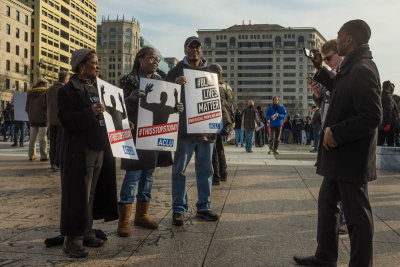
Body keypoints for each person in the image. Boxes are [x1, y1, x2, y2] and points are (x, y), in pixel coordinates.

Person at [293, 20, 382, 267]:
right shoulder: (352, 68)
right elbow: (341, 90)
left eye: (340, 35)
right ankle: (325, 256)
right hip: (340, 157)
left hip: (351, 157)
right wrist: (320, 69)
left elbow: (373, 116)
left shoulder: (363, 69)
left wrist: (336, 132)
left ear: (350, 39)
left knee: (357, 217)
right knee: (327, 203)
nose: (337, 39)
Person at [58, 49, 118, 258]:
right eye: (94, 62)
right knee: (78, 195)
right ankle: (72, 240)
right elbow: (67, 120)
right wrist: (89, 112)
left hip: (100, 149)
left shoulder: (99, 88)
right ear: (81, 66)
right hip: (80, 152)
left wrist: (122, 123)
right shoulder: (67, 91)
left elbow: (110, 114)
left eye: (98, 62)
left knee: (91, 194)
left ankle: (87, 231)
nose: (98, 66)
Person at [117, 46, 183, 237]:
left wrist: (177, 107)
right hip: (135, 135)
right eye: (151, 58)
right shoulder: (129, 80)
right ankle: (124, 221)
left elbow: (167, 107)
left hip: (153, 137)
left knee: (148, 176)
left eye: (156, 59)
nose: (155, 62)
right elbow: (119, 107)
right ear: (140, 59)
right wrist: (131, 98)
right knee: (132, 177)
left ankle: (141, 215)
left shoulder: (160, 82)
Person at [166, 36, 219, 226]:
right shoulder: (175, 71)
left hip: (206, 130)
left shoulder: (210, 71)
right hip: (185, 132)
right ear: (185, 50)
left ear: (201, 51)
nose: (194, 50)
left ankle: (204, 206)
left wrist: (219, 79)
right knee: (179, 171)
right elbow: (164, 97)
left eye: (198, 47)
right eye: (191, 47)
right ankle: (179, 209)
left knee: (206, 170)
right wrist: (174, 85)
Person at [207, 63, 234, 185]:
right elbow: (230, 105)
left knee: (214, 148)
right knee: (219, 147)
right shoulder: (227, 86)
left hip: (215, 118)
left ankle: (216, 176)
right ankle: (223, 173)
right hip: (225, 119)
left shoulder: (214, 85)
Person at [309, 39, 344, 126]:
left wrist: (320, 68)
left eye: (328, 58)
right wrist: (317, 94)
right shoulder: (330, 74)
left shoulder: (349, 71)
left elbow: (339, 93)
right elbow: (322, 104)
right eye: (324, 59)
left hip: (340, 126)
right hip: (328, 125)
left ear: (340, 53)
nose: (326, 62)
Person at [46, 71, 70, 171]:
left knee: (52, 142)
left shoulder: (50, 89)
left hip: (51, 119)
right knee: (60, 142)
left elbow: (46, 103)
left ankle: (52, 162)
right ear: (65, 79)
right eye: (68, 79)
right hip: (61, 119)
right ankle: (57, 163)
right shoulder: (65, 89)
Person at [26, 78, 48, 161]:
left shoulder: (30, 94)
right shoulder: (45, 93)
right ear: (43, 84)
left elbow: (27, 108)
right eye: (46, 84)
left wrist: (30, 115)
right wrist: (46, 116)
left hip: (32, 119)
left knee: (32, 139)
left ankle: (31, 155)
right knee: (42, 138)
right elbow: (46, 106)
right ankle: (43, 156)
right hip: (42, 118)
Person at [377, 81, 399, 146]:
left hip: (381, 124)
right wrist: (388, 124)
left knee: (380, 143)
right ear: (388, 88)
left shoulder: (380, 96)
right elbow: (388, 111)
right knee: (390, 144)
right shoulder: (388, 98)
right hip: (388, 125)